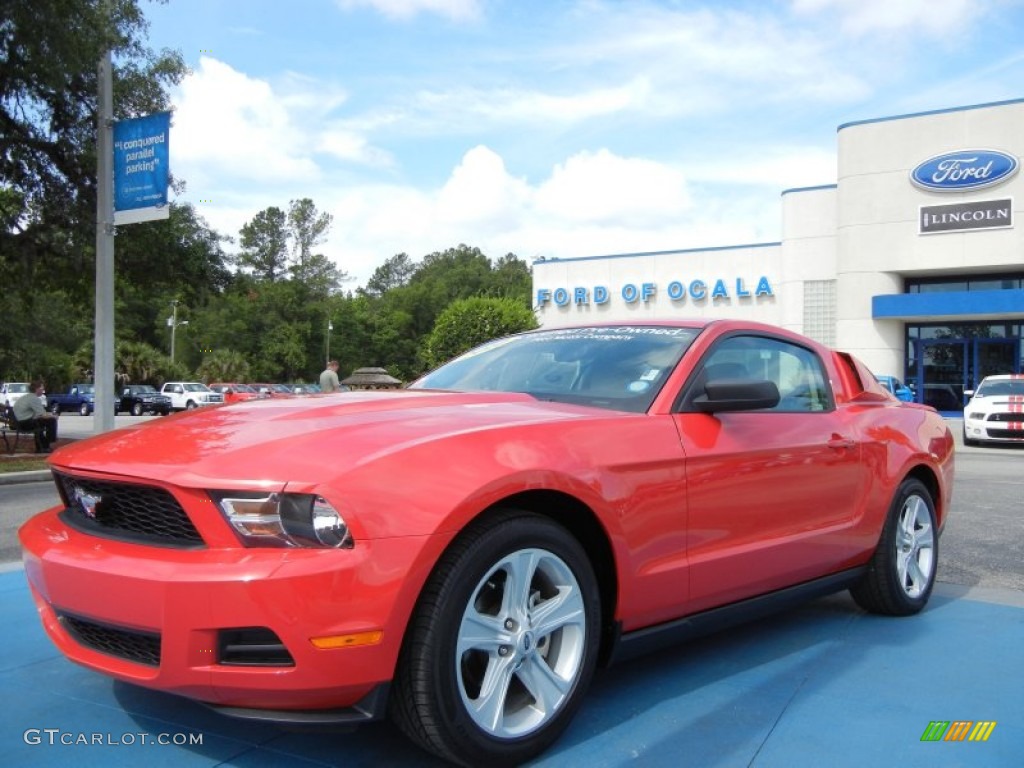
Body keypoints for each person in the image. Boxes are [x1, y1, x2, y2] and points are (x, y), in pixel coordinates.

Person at [12, 380, 58, 453]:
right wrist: (53, 416)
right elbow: (43, 415)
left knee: (40, 423)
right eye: (42, 388)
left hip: (19, 422)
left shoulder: (26, 397)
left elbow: (39, 414)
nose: (43, 390)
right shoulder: (34, 399)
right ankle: (48, 443)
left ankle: (42, 447)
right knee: (51, 421)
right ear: (37, 389)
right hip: (25, 424)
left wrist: (48, 415)